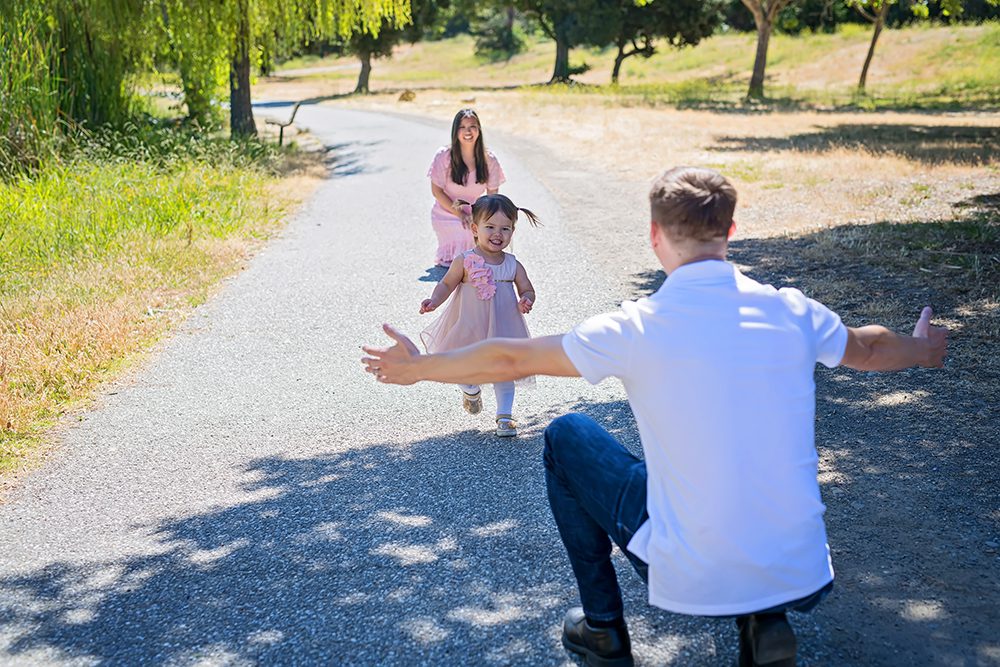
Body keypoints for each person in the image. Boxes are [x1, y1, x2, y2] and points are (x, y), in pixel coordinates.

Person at [362, 167, 948, 666]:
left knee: (568, 435)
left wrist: (420, 367)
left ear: (654, 237)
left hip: (694, 569)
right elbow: (869, 348)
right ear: (731, 233)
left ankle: (604, 629)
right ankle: (763, 618)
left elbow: (510, 355)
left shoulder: (638, 326)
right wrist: (922, 349)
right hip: (801, 568)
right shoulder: (790, 309)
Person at [419, 194, 539, 437]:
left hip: (504, 328)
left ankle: (504, 417)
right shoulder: (464, 260)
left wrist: (526, 299)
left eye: (505, 228)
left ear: (512, 232)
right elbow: (447, 284)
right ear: (474, 229)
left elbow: (527, 288)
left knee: (505, 370)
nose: (498, 234)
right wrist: (434, 300)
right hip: (470, 327)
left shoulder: (513, 264)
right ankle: (470, 389)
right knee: (463, 365)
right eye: (490, 227)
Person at [428, 109, 506, 268]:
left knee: (492, 231)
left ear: (479, 130)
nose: (468, 131)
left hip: (475, 213)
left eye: (472, 126)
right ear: (455, 131)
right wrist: (461, 214)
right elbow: (437, 191)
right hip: (447, 212)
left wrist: (482, 218)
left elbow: (492, 196)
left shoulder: (489, 159)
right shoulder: (444, 156)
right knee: (464, 231)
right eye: (462, 127)